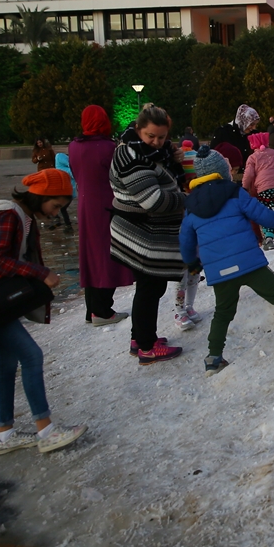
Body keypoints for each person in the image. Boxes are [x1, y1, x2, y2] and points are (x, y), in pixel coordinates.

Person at [179, 146, 274, 374]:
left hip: (219, 272)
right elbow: (262, 214)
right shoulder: (234, 192)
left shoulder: (191, 206)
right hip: (249, 263)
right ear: (223, 171)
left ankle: (213, 359)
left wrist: (192, 263)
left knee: (223, 313)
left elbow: (185, 239)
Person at [0, 169, 87, 455]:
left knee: (6, 365)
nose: (56, 212)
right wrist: (39, 273)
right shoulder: (8, 214)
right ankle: (46, 430)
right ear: (41, 196)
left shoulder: (18, 216)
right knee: (31, 356)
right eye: (56, 205)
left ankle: (5, 434)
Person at [109, 103, 186, 364]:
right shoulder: (129, 156)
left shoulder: (151, 152)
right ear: (138, 129)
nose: (156, 142)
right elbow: (153, 201)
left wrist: (172, 158)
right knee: (150, 287)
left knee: (149, 286)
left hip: (145, 231)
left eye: (162, 137)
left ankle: (139, 337)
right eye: (150, 136)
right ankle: (146, 347)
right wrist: (185, 200)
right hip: (140, 233)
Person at [68, 105, 133, 326]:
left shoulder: (74, 147)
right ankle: (102, 310)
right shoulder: (108, 147)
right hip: (106, 205)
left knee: (91, 255)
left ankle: (93, 309)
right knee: (107, 256)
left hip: (85, 206)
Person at [242, 145, 274, 250]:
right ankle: (269, 237)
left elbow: (249, 174)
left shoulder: (253, 157)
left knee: (265, 213)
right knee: (272, 211)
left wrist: (244, 187)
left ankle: (268, 239)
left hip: (264, 188)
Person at [209, 104, 259, 173]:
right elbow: (213, 155)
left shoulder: (252, 134)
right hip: (228, 175)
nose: (253, 128)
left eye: (255, 125)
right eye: (251, 124)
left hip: (248, 176)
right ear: (243, 121)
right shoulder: (223, 132)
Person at [52, 152, 75, 231]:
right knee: (62, 208)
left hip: (67, 193)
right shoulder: (67, 170)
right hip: (68, 192)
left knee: (62, 208)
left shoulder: (61, 169)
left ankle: (68, 225)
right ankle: (67, 224)